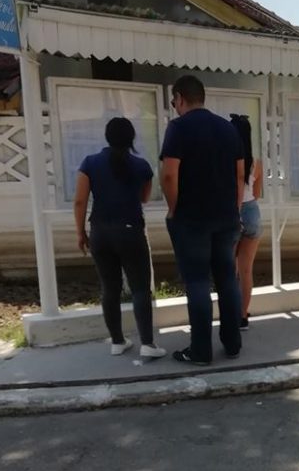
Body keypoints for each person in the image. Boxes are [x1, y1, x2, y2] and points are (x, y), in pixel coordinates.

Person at [160, 75, 245, 365]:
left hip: (192, 218)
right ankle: (232, 343)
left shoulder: (178, 128)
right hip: (226, 217)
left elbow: (169, 174)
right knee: (227, 279)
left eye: (174, 101)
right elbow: (239, 175)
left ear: (180, 98)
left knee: (197, 281)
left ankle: (200, 350)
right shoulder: (228, 129)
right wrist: (235, 208)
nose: (175, 106)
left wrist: (174, 208)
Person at [73, 117, 165, 358]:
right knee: (140, 289)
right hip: (131, 231)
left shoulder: (90, 163)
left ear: (107, 137)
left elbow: (80, 200)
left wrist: (80, 232)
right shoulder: (142, 166)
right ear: (131, 138)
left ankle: (117, 341)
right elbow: (144, 198)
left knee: (109, 288)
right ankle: (147, 344)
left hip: (100, 232)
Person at [230, 114, 263, 331]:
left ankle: (231, 313)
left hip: (232, 213)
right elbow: (257, 194)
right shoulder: (256, 162)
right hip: (252, 212)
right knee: (246, 270)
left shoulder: (226, 160)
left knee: (229, 270)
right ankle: (243, 316)